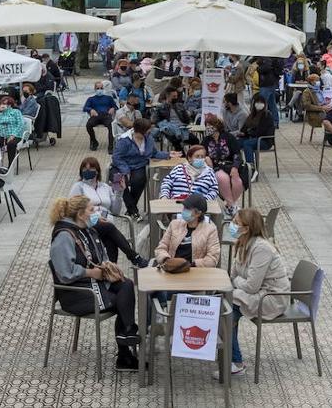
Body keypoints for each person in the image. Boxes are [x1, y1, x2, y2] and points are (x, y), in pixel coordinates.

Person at [48, 195, 140, 371]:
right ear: (81, 214)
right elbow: (65, 273)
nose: (96, 212)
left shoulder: (86, 229)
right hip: (75, 293)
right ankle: (125, 352)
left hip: (91, 284)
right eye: (92, 210)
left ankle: (127, 333)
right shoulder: (64, 236)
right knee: (122, 299)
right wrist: (91, 272)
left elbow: (98, 254)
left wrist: (106, 266)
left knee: (126, 285)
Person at [227, 207, 291, 376]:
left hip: (271, 298)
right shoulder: (242, 242)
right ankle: (228, 354)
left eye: (235, 223)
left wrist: (235, 281)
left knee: (227, 309)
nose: (231, 226)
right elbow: (233, 274)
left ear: (247, 228)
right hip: (257, 293)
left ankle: (236, 361)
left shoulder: (262, 248)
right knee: (223, 303)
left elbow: (250, 286)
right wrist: (234, 281)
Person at [67, 156, 144, 266]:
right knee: (110, 227)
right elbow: (73, 209)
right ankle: (134, 257)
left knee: (111, 240)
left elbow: (116, 211)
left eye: (91, 169)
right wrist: (95, 213)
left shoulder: (105, 187)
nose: (87, 172)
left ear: (97, 171)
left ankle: (111, 270)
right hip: (89, 222)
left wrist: (119, 192)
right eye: (84, 169)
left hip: (107, 222)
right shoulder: (78, 187)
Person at [112, 118, 170, 217]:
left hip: (139, 165)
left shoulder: (149, 138)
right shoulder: (124, 140)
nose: (150, 132)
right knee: (119, 182)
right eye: (147, 131)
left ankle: (131, 210)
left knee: (139, 180)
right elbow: (116, 158)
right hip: (121, 165)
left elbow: (154, 153)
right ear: (140, 131)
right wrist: (126, 171)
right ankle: (132, 210)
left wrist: (168, 154)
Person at [154, 192, 221, 268]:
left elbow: (213, 258)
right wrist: (167, 260)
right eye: (184, 207)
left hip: (197, 273)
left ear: (198, 213)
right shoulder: (174, 224)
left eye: (187, 209)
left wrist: (191, 265)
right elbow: (161, 247)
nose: (183, 211)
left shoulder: (211, 230)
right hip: (172, 269)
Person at [202, 115, 245, 213]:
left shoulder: (228, 137)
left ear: (217, 126)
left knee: (237, 181)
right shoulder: (206, 140)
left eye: (210, 125)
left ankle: (229, 205)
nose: (208, 127)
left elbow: (237, 153)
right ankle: (232, 206)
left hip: (230, 165)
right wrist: (206, 158)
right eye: (206, 125)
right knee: (222, 178)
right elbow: (201, 153)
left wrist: (235, 167)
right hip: (215, 167)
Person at [237, 96, 275, 173]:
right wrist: (243, 133)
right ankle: (238, 165)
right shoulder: (251, 115)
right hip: (252, 138)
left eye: (261, 102)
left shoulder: (267, 115)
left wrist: (249, 132)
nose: (259, 104)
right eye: (257, 102)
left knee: (247, 144)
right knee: (236, 143)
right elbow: (244, 129)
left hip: (264, 140)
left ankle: (251, 169)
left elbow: (261, 131)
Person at [152, 86, 192, 151]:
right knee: (176, 140)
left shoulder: (180, 106)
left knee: (195, 140)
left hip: (182, 128)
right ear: (168, 96)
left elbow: (187, 120)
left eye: (176, 96)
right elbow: (155, 120)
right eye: (174, 96)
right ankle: (182, 157)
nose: (176, 98)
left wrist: (187, 115)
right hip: (170, 129)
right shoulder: (161, 108)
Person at [82, 82, 118, 152]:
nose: (99, 90)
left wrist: (113, 108)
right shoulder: (91, 99)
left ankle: (110, 146)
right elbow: (85, 108)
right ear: (95, 89)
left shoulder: (109, 98)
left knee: (111, 126)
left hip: (106, 115)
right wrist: (91, 109)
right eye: (98, 88)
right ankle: (94, 141)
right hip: (96, 115)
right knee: (88, 125)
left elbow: (115, 106)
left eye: (101, 88)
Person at [0, 93, 26, 161]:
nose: (3, 105)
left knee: (11, 144)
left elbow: (21, 124)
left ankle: (11, 164)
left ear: (10, 105)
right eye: (2, 103)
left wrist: (13, 135)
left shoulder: (16, 112)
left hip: (15, 135)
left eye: (6, 104)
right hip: (1, 135)